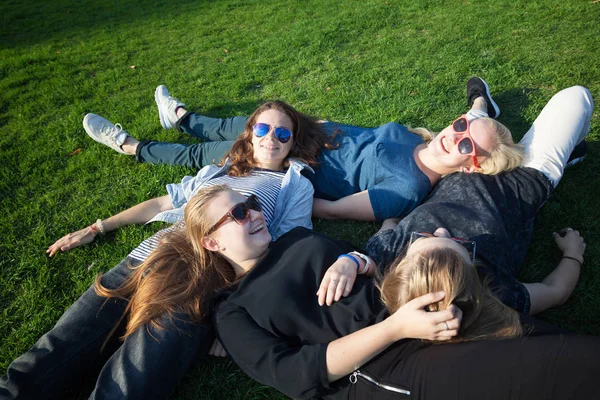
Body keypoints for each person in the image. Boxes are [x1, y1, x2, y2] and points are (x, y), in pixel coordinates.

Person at [212, 85, 599, 400]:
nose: (439, 231)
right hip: (525, 183)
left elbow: (373, 249)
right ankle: (539, 145)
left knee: (493, 131)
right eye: (460, 128)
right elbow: (553, 291)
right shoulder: (492, 284)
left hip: (477, 170)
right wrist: (573, 254)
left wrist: (352, 257)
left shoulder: (397, 253)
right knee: (576, 98)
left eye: (465, 138)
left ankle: (485, 112)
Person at [0, 100, 323, 399]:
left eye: (283, 133)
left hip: (203, 281)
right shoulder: (217, 173)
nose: (272, 139)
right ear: (250, 132)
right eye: (264, 129)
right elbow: (161, 202)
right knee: (55, 349)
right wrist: (97, 227)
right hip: (147, 257)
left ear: (292, 142)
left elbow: (284, 247)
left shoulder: (293, 184)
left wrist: (233, 316)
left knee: (128, 385)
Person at [85, 78, 524, 221]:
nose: (456, 134)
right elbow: (455, 134)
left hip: (293, 157)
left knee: (208, 155)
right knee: (237, 124)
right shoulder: (425, 140)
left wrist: (275, 173)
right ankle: (181, 117)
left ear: (470, 167)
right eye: (462, 124)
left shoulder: (406, 190)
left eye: (466, 142)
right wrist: (477, 110)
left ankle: (131, 146)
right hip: (306, 130)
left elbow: (327, 210)